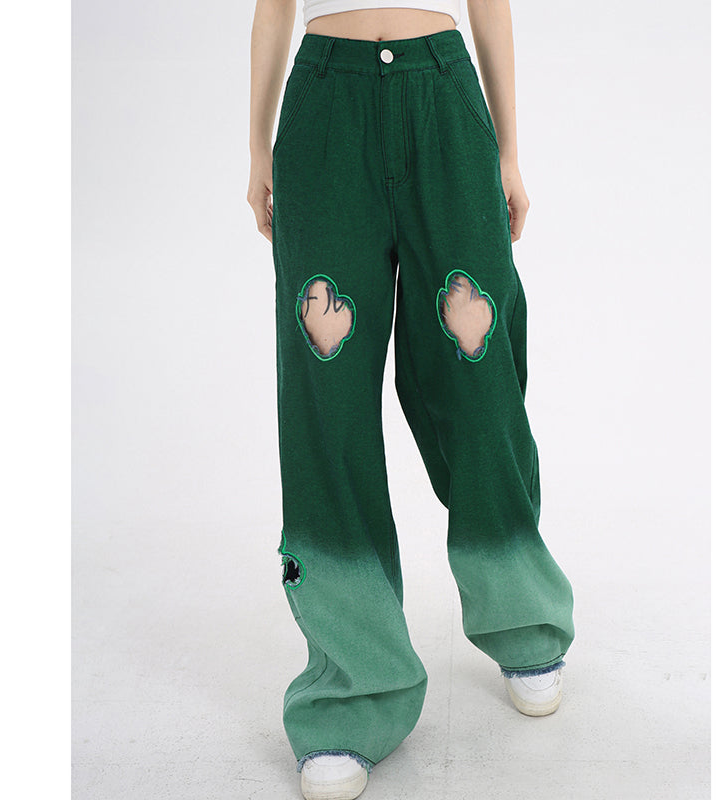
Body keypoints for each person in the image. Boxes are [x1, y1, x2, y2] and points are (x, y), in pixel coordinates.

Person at [247, 2, 576, 798]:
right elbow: (273, 9)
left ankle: (521, 613)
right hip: (324, 109)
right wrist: (257, 147)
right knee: (326, 395)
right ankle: (352, 685)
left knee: (478, 368)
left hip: (443, 97)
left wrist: (509, 150)